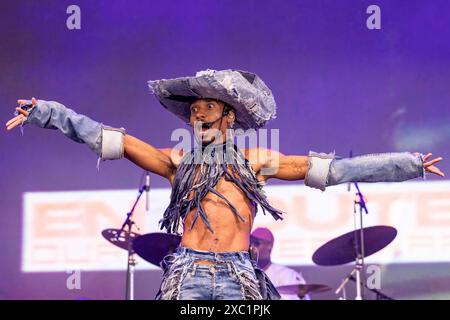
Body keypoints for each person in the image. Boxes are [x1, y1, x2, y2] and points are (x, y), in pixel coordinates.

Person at [6, 69, 444, 300]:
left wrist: (405, 164)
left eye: (208, 106)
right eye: (194, 108)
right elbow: (111, 140)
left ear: (228, 117)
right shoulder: (176, 161)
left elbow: (332, 172)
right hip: (189, 272)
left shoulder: (256, 162)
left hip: (239, 275)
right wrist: (48, 112)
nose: (198, 113)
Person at [250, 227, 310, 300]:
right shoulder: (243, 273)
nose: (251, 247)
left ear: (270, 246)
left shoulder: (288, 275)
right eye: (250, 242)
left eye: (256, 243)